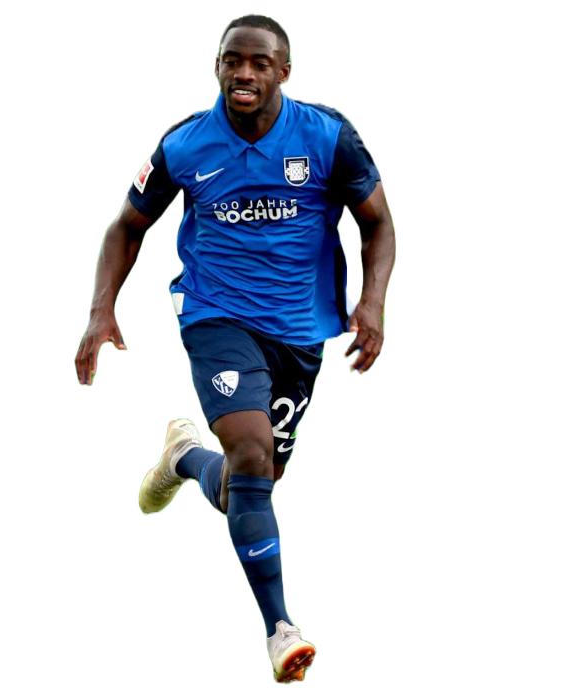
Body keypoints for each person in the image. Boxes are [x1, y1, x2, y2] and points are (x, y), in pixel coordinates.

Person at [74, 14, 395, 684]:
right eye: (231, 61)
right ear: (218, 66)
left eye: (258, 63)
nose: (243, 74)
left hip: (302, 329)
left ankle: (184, 458)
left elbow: (378, 222)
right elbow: (126, 227)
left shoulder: (327, 137)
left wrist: (371, 304)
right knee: (250, 454)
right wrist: (101, 311)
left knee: (252, 484)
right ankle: (281, 630)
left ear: (284, 72)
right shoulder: (186, 144)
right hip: (215, 316)